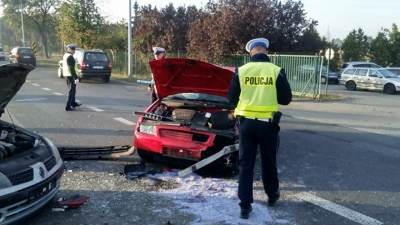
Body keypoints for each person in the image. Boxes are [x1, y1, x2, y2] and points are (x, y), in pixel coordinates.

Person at [228, 38, 292, 219]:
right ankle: (272, 195)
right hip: (268, 125)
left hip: (246, 124)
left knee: (246, 164)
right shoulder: (276, 70)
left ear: (251, 52)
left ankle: (245, 206)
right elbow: (286, 99)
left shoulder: (241, 71)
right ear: (266, 51)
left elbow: (232, 99)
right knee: (268, 161)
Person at [62, 44, 81, 111]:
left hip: (67, 75)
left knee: (73, 90)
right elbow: (71, 68)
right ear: (68, 49)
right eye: (72, 49)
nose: (74, 50)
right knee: (71, 91)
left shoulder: (65, 55)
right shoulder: (70, 57)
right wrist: (75, 77)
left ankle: (73, 103)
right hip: (70, 76)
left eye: (74, 49)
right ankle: (68, 106)